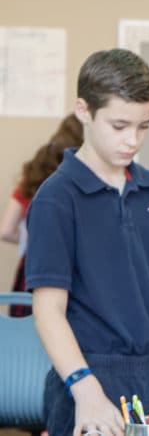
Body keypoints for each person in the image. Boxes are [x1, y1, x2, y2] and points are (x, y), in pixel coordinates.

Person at [25, 48, 149, 436]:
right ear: (84, 111)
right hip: (85, 381)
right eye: (120, 125)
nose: (133, 140)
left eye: (144, 126)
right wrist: (85, 389)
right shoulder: (57, 198)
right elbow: (48, 311)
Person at [0, 114, 83, 317]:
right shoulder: (81, 178)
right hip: (72, 271)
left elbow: (6, 230)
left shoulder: (34, 174)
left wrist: (34, 238)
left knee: (28, 331)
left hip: (31, 269)